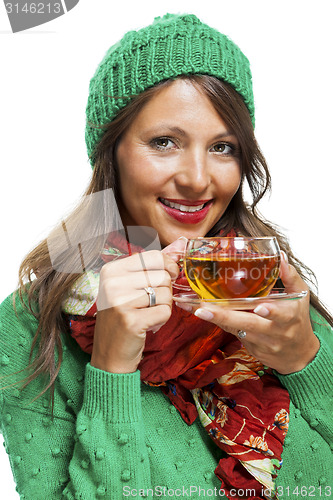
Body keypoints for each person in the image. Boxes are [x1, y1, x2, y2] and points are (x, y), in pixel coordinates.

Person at [0, 12, 332, 500]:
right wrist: (111, 367)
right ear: (110, 152)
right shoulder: (27, 326)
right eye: (164, 142)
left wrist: (309, 365)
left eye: (223, 146)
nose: (198, 178)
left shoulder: (271, 291)